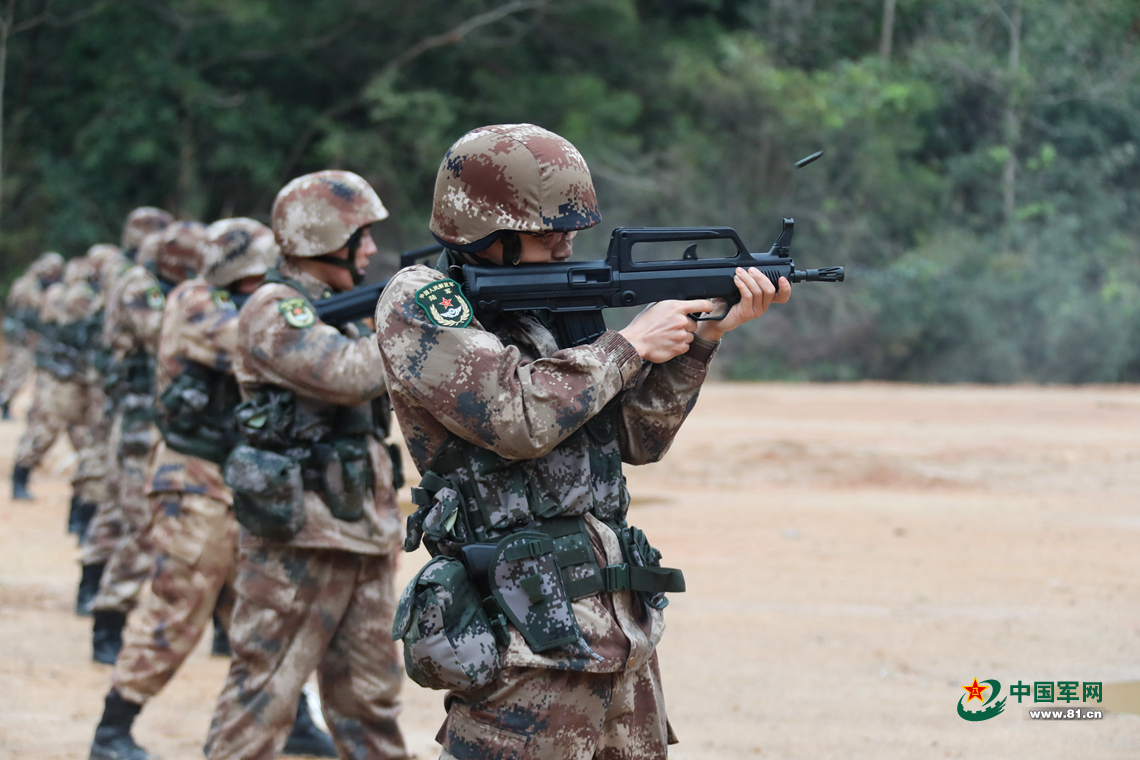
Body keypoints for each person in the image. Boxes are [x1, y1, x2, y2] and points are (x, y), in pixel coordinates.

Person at [374, 123, 790, 760]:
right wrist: (627, 345)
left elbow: (636, 439)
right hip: (523, 636)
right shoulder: (422, 302)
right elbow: (514, 420)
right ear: (486, 229)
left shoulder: (558, 306)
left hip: (618, 627)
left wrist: (701, 339)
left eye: (570, 227)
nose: (567, 241)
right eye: (548, 230)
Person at [88, 218, 336, 760]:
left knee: (265, 612)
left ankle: (292, 718)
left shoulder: (240, 301)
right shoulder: (195, 303)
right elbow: (259, 345)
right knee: (177, 610)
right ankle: (113, 728)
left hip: (239, 484)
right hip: (192, 485)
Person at [204, 171, 409, 760]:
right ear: (324, 238)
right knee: (263, 695)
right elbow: (352, 374)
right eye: (361, 235)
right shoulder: (276, 309)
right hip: (300, 540)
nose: (370, 249)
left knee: (371, 704)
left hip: (362, 534)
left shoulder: (338, 311)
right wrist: (422, 324)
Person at [88, 221, 206, 664]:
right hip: (141, 421)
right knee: (140, 525)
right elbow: (163, 335)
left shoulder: (180, 292)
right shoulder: (144, 287)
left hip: (170, 423)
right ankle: (109, 616)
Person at [8, 252, 65, 496]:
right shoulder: (31, 287)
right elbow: (29, 314)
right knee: (15, 376)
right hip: (27, 343)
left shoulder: (47, 289)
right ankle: (20, 476)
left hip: (43, 353)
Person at [1, 252, 64, 422]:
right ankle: (5, 403)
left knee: (31, 371)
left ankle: (29, 406)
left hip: (33, 335)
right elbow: (25, 312)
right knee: (17, 370)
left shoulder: (42, 286)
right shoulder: (27, 286)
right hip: (23, 335)